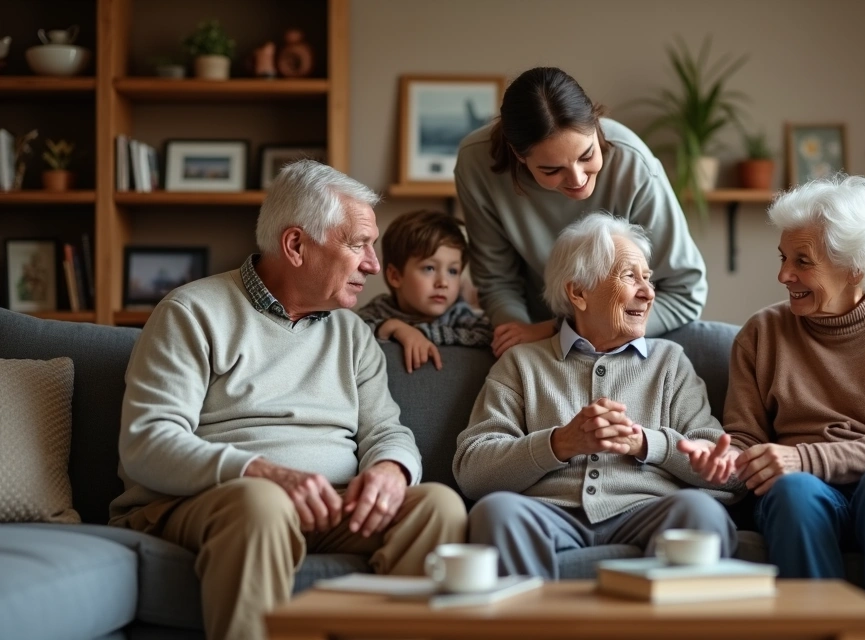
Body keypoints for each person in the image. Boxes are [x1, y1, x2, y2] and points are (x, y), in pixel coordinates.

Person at [109, 161, 468, 640]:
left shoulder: (352, 333)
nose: (373, 264)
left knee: (438, 506)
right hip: (210, 502)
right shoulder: (191, 312)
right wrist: (263, 472)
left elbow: (387, 430)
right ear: (296, 245)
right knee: (262, 503)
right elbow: (147, 443)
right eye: (358, 243)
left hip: (331, 505)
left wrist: (390, 470)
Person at [681, 174, 865, 640]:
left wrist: (806, 457)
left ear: (855, 267)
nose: (783, 276)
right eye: (783, 258)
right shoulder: (761, 333)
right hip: (812, 494)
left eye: (802, 262)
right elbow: (747, 438)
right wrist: (727, 462)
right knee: (791, 491)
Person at [454, 212, 739, 579]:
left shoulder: (670, 362)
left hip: (647, 510)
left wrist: (648, 444)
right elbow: (472, 470)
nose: (648, 293)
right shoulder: (522, 363)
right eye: (630, 276)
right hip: (548, 512)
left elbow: (727, 471)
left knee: (699, 512)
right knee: (497, 513)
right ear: (578, 292)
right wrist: (558, 444)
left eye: (648, 279)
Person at [454, 66, 708, 357]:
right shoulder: (475, 163)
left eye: (587, 155)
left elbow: (685, 293)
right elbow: (497, 282)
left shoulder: (633, 165)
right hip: (534, 343)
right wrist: (527, 354)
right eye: (552, 169)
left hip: (623, 340)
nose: (577, 180)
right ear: (518, 155)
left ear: (596, 123)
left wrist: (560, 330)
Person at [357, 209, 493, 372]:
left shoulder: (459, 314)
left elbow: (486, 336)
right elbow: (351, 332)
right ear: (395, 276)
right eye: (429, 268)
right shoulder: (379, 309)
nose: (443, 283)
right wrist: (394, 327)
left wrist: (419, 332)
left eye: (453, 271)